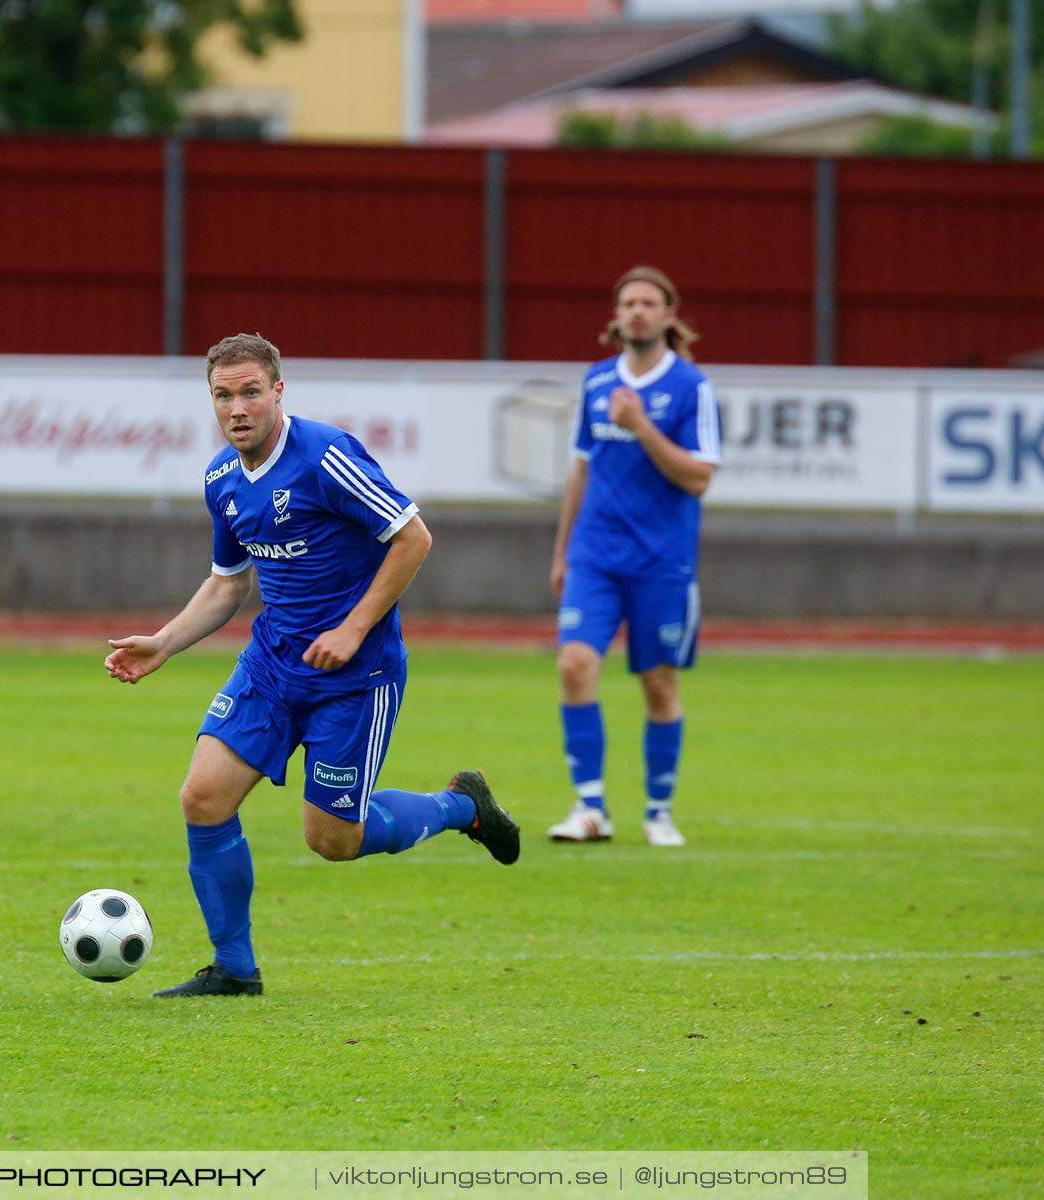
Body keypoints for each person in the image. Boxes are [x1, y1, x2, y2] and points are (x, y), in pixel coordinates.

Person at [105, 333, 521, 998]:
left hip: (357, 677)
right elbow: (228, 584)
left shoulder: (326, 457)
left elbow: (413, 537)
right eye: (222, 395)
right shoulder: (221, 480)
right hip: (272, 666)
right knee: (202, 797)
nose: (236, 407)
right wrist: (163, 642)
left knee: (332, 840)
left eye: (249, 392)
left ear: (277, 392)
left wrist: (354, 630)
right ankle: (234, 968)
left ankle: (458, 807)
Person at [546, 266, 721, 848]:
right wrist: (563, 550)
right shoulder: (597, 382)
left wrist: (642, 426)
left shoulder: (693, 388)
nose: (637, 312)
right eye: (628, 303)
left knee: (659, 684)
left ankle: (659, 810)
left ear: (669, 315)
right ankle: (590, 807)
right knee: (574, 665)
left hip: (661, 562)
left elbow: (698, 478)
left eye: (648, 302)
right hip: (595, 556)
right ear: (616, 316)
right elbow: (581, 468)